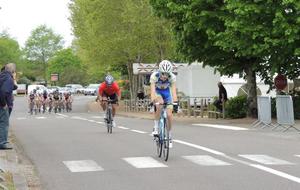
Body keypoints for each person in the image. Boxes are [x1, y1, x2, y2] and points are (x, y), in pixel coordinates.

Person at [150, 60, 178, 148]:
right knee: (160, 103)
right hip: (157, 93)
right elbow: (152, 91)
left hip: (167, 94)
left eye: (166, 74)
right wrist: (153, 101)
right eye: (162, 73)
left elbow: (173, 92)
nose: (164, 76)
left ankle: (169, 136)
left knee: (169, 115)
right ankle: (156, 127)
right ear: (159, 71)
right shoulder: (154, 76)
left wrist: (176, 103)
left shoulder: (172, 77)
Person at [0, 63, 17, 149]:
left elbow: (12, 87)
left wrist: (14, 81)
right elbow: (3, 91)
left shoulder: (2, 75)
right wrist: (3, 104)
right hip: (2, 105)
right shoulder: (8, 78)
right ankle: (2, 143)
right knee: (4, 123)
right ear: (13, 71)